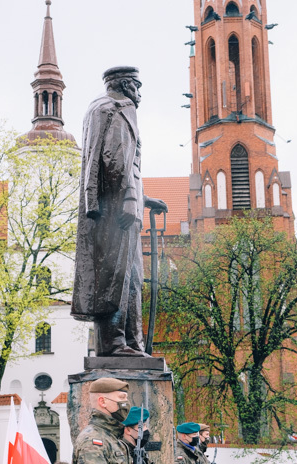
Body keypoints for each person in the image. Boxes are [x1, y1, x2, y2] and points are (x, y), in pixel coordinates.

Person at [71, 65, 167, 357]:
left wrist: (142, 198)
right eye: (137, 87)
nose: (139, 95)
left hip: (117, 206)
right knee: (116, 277)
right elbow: (116, 158)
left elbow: (116, 165)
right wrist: (128, 197)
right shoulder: (118, 107)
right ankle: (114, 344)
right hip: (118, 211)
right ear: (126, 85)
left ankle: (132, 343)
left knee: (131, 278)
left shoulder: (99, 109)